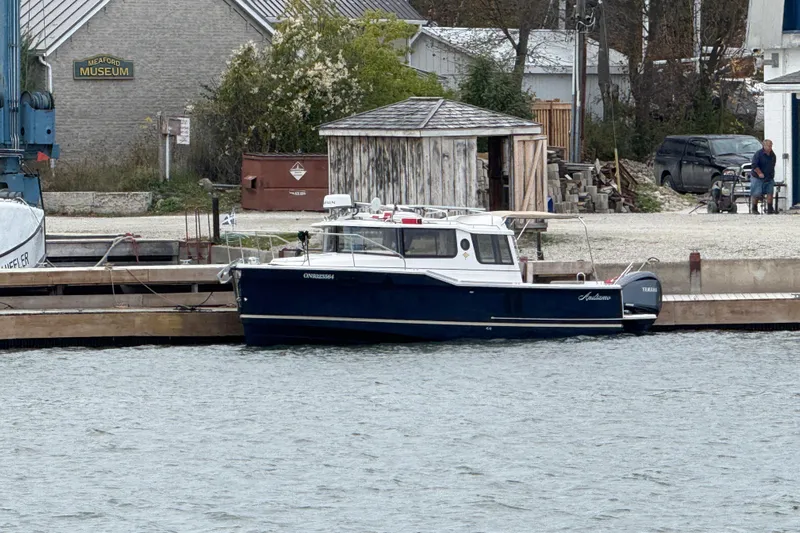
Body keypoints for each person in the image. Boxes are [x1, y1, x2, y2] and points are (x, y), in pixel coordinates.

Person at [750, 139, 777, 214]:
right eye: (769, 146)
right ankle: (754, 208)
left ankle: (770, 208)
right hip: (757, 177)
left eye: (771, 146)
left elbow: (773, 164)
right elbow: (754, 165)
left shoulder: (772, 155)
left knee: (770, 192)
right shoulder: (758, 154)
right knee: (756, 192)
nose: (770, 147)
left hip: (769, 176)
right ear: (764, 146)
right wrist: (759, 173)